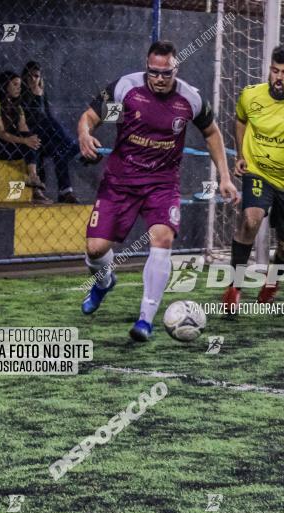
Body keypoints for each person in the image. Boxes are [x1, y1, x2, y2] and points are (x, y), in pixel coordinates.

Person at [77, 41, 238, 342]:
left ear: (176, 68)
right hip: (119, 183)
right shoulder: (126, 90)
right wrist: (85, 134)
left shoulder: (189, 99)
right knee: (95, 249)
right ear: (146, 66)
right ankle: (104, 281)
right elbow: (91, 117)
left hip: (162, 184)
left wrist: (225, 178)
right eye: (155, 72)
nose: (161, 78)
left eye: (167, 73)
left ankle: (145, 320)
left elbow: (212, 133)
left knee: (162, 238)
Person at [222, 44, 284, 313]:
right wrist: (240, 154)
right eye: (275, 71)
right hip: (259, 172)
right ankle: (235, 287)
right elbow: (241, 120)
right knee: (250, 219)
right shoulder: (250, 95)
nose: (279, 77)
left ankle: (272, 282)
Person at [0, 71, 49, 203]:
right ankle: (34, 186)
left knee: (33, 144)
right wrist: (25, 140)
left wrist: (32, 140)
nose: (19, 88)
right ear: (5, 85)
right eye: (15, 84)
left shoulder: (18, 106)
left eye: (20, 85)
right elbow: (1, 133)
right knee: (27, 145)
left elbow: (24, 129)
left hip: (9, 143)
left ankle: (32, 182)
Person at [21, 61, 81, 203]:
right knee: (48, 125)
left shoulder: (41, 92)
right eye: (29, 76)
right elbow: (31, 120)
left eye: (36, 76)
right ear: (24, 77)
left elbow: (47, 116)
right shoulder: (20, 93)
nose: (33, 80)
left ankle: (65, 192)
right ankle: (76, 148)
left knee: (60, 150)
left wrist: (39, 96)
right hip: (27, 136)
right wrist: (36, 97)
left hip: (43, 136)